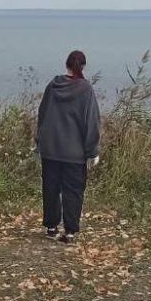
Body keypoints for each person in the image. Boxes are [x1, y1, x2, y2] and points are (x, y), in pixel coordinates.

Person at [34, 50, 100, 244]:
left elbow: (42, 115)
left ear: (67, 65)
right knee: (73, 191)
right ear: (83, 66)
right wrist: (92, 151)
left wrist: (40, 143)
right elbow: (92, 122)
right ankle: (70, 230)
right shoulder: (86, 90)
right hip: (75, 153)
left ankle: (52, 226)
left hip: (51, 150)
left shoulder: (53, 86)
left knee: (51, 188)